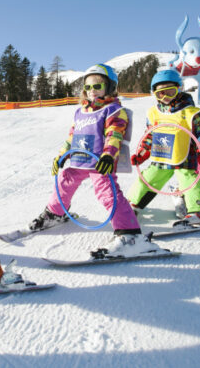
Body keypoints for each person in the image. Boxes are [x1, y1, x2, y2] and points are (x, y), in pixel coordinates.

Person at [27, 64, 164, 257]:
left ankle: (130, 235)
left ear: (109, 87)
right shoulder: (80, 112)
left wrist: (108, 154)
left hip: (100, 162)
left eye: (97, 86)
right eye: (88, 87)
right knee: (64, 181)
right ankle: (55, 213)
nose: (92, 91)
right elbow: (72, 136)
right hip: (79, 160)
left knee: (107, 194)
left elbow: (115, 134)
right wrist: (61, 155)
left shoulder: (113, 110)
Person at [126, 68, 200, 226]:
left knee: (188, 180)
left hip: (183, 155)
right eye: (160, 93)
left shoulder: (191, 113)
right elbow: (149, 135)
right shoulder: (153, 113)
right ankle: (131, 204)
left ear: (180, 88)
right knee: (148, 177)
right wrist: (142, 153)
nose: (165, 97)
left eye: (170, 91)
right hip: (161, 155)